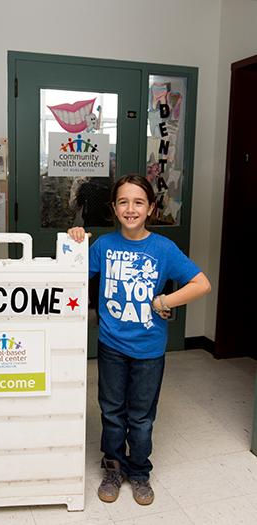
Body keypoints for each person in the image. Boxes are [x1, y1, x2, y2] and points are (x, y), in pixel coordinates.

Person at [68, 174, 211, 506]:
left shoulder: (163, 248)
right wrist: (75, 243)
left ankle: (139, 472)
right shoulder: (103, 246)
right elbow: (72, 277)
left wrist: (163, 302)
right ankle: (113, 469)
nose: (130, 209)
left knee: (142, 416)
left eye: (138, 202)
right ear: (114, 208)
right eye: (123, 202)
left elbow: (201, 284)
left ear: (150, 208)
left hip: (148, 351)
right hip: (111, 346)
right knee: (113, 412)